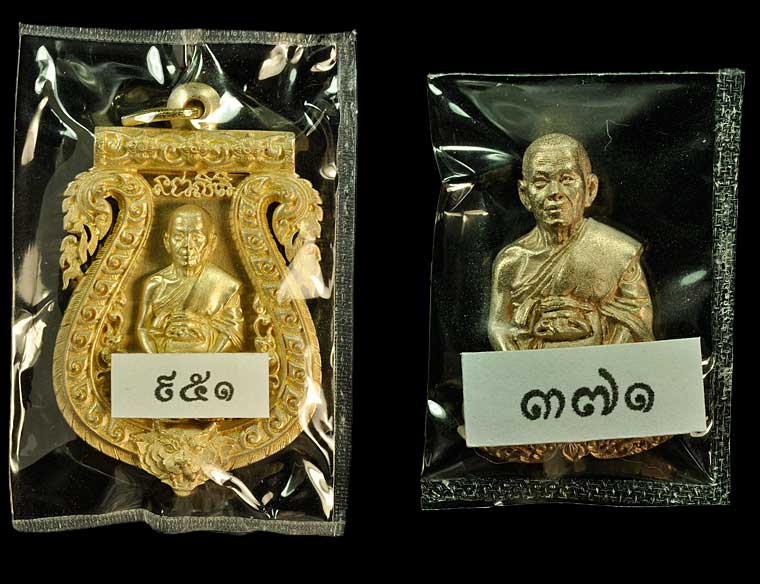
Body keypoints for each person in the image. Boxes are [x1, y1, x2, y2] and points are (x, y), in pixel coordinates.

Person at [488, 133, 654, 351]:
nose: (555, 193)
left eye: (567, 179)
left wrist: (605, 359)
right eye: (541, 182)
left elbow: (636, 317)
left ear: (590, 189)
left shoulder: (618, 252)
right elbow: (499, 326)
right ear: (525, 194)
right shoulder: (512, 261)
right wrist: (519, 361)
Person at [137, 204, 244, 353]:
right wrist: (156, 359)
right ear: (167, 242)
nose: (188, 245)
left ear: (212, 243)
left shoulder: (224, 285)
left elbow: (233, 332)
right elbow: (143, 328)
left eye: (196, 237)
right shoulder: (155, 284)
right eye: (179, 237)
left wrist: (210, 358)